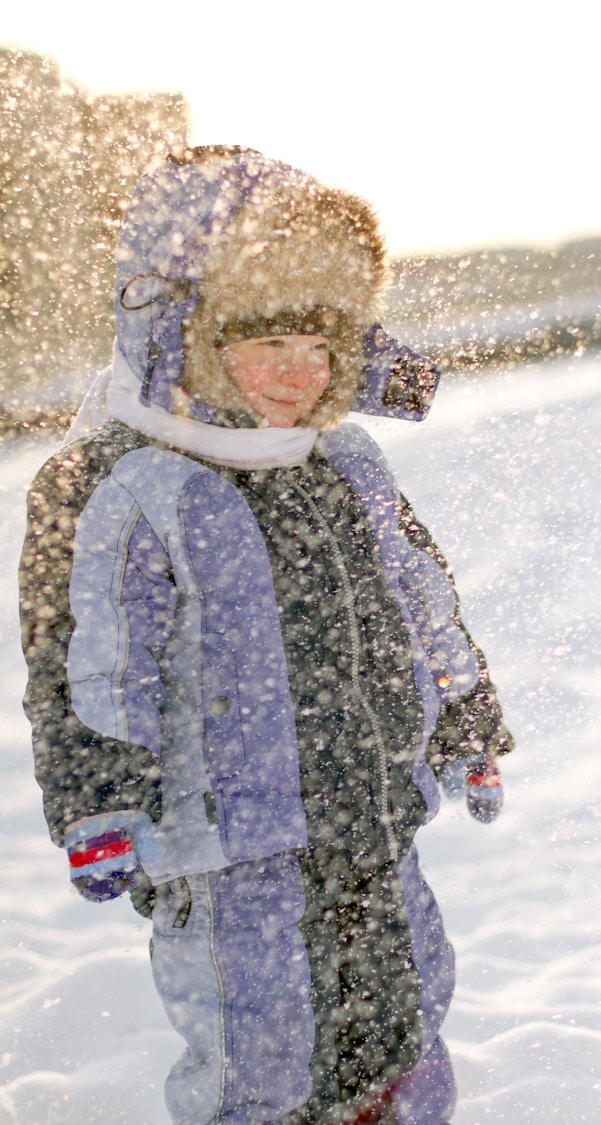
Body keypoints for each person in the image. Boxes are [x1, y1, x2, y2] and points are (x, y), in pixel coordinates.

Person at [18, 146, 514, 1125]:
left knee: (404, 1021)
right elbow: (91, 665)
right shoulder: (131, 487)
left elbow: (423, 606)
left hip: (376, 828)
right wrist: (101, 801)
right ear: (183, 335)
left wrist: (464, 719)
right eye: (265, 339)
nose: (302, 370)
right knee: (264, 1057)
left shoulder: (346, 465)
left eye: (324, 342)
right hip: (227, 856)